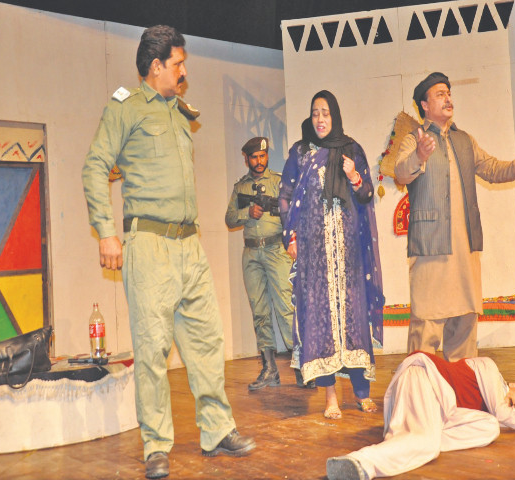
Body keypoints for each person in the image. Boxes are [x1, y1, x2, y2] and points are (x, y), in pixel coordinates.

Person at [81, 25, 254, 479]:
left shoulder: (178, 110)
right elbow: (95, 165)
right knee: (153, 350)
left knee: (206, 341)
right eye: (178, 64)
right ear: (155, 66)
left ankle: (217, 430)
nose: (183, 71)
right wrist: (105, 231)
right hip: (150, 246)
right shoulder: (126, 107)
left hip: (189, 245)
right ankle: (156, 444)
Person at [394, 72, 515, 361]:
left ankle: (463, 397)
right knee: (427, 328)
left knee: (464, 324)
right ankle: (419, 398)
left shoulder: (464, 140)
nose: (448, 98)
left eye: (449, 93)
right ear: (424, 105)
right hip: (431, 249)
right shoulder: (413, 139)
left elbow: (493, 169)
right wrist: (419, 154)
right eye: (440, 94)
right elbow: (401, 173)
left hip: (465, 250)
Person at [326, 351, 515, 480]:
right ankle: (360, 462)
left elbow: (504, 417)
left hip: (435, 403)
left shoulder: (485, 412)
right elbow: (505, 412)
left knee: (489, 428)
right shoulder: (488, 367)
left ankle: (417, 440)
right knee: (426, 442)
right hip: (421, 377)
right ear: (514, 386)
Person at [279, 90, 384, 419]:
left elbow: (367, 193)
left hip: (348, 254)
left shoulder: (351, 149)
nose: (320, 119)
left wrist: (354, 175)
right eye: (315, 114)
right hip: (315, 255)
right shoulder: (300, 153)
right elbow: (285, 196)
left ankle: (361, 392)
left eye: (325, 113)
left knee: (353, 320)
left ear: (334, 116)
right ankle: (330, 399)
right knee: (321, 323)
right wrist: (291, 236)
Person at [225, 136, 314, 390]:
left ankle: (300, 367)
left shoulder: (278, 183)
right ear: (247, 159)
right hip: (252, 254)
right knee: (260, 311)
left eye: (262, 157)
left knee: (286, 307)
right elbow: (230, 218)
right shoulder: (240, 187)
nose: (259, 161)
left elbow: (293, 213)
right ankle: (269, 369)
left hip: (276, 250)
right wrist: (247, 213)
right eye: (254, 157)